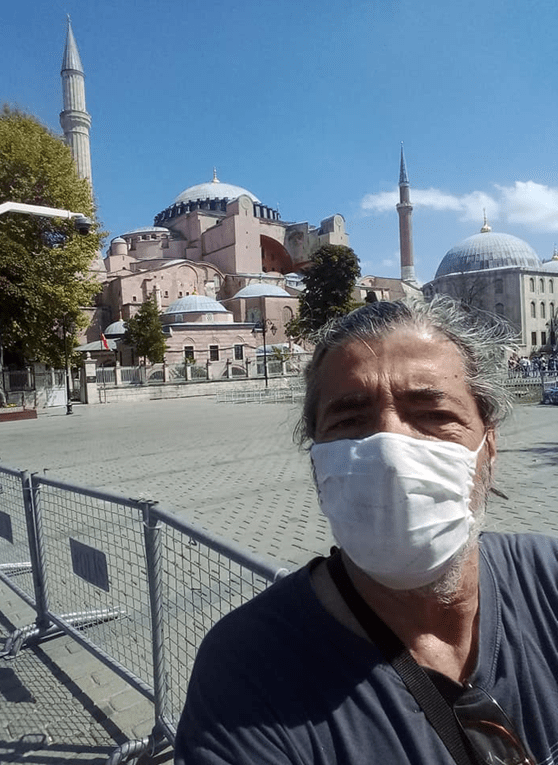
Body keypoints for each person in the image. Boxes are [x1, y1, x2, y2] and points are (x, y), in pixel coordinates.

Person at [174, 296, 558, 765]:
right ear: (317, 461)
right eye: (350, 419)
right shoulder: (249, 671)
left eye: (433, 414)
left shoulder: (549, 579)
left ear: (489, 446)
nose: (391, 453)